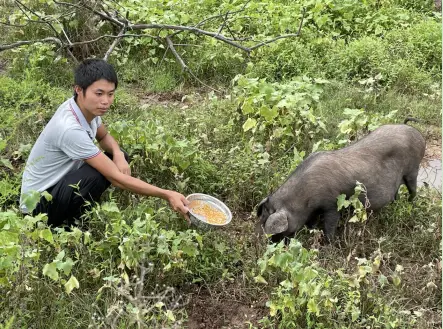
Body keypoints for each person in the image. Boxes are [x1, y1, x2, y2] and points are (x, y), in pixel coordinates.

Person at [20, 58, 190, 227]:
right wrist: (166, 194)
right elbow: (116, 179)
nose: (106, 101)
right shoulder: (70, 128)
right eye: (99, 93)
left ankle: (77, 207)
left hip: (57, 185)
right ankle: (67, 222)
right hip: (37, 208)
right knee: (97, 174)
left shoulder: (83, 108)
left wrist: (117, 154)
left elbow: (104, 136)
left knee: (118, 155)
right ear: (79, 89)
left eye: (111, 94)